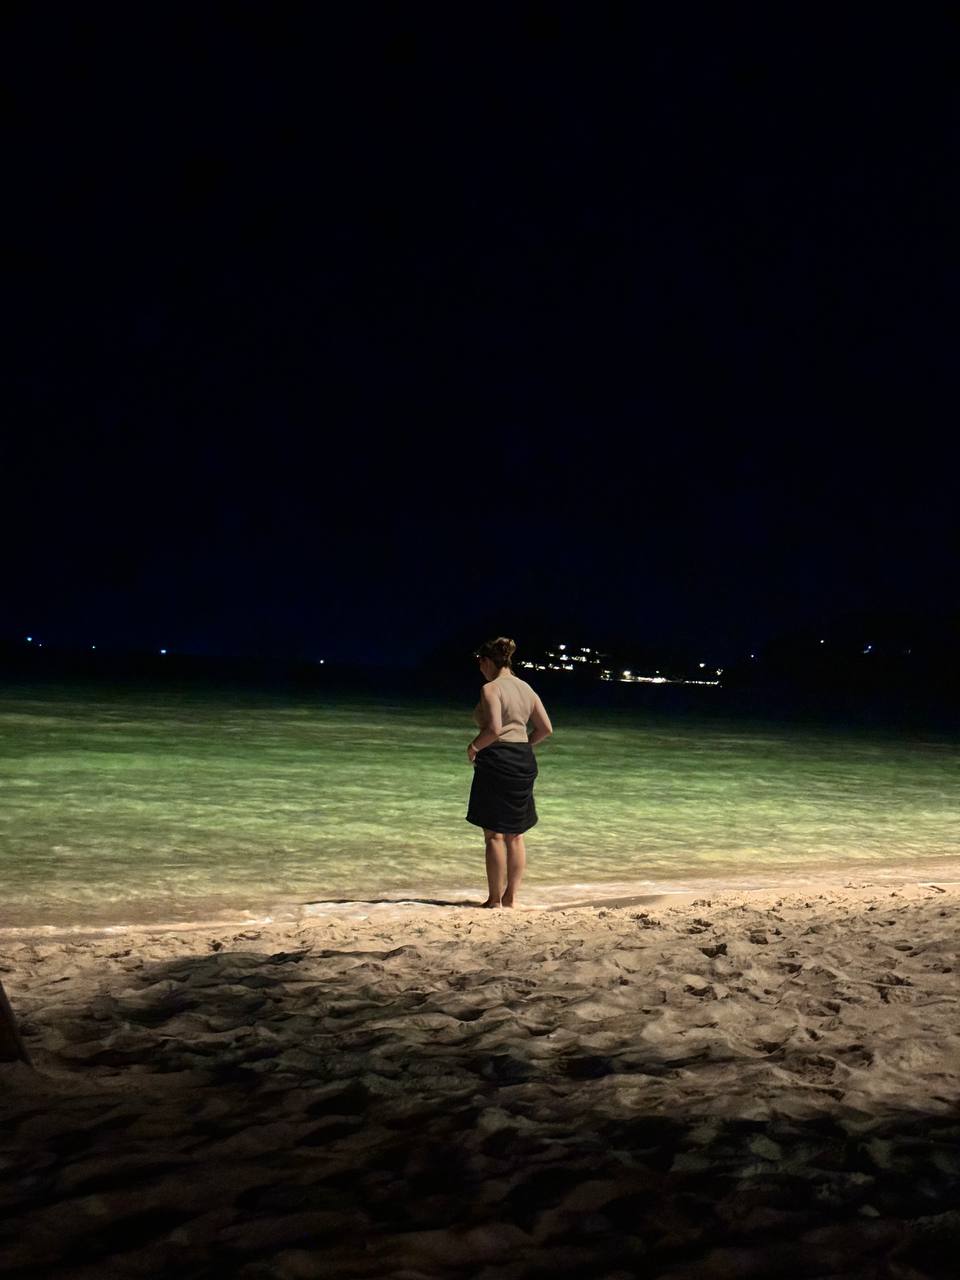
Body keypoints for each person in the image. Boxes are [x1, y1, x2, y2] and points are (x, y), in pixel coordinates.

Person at [466, 637, 553, 908]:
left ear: (487, 661)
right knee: (516, 834)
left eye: (480, 664)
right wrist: (523, 745)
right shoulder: (526, 688)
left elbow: (493, 729)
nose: (480, 669)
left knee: (494, 834)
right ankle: (510, 898)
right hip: (523, 760)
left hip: (497, 761)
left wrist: (473, 747)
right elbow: (546, 729)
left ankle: (494, 900)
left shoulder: (490, 688)